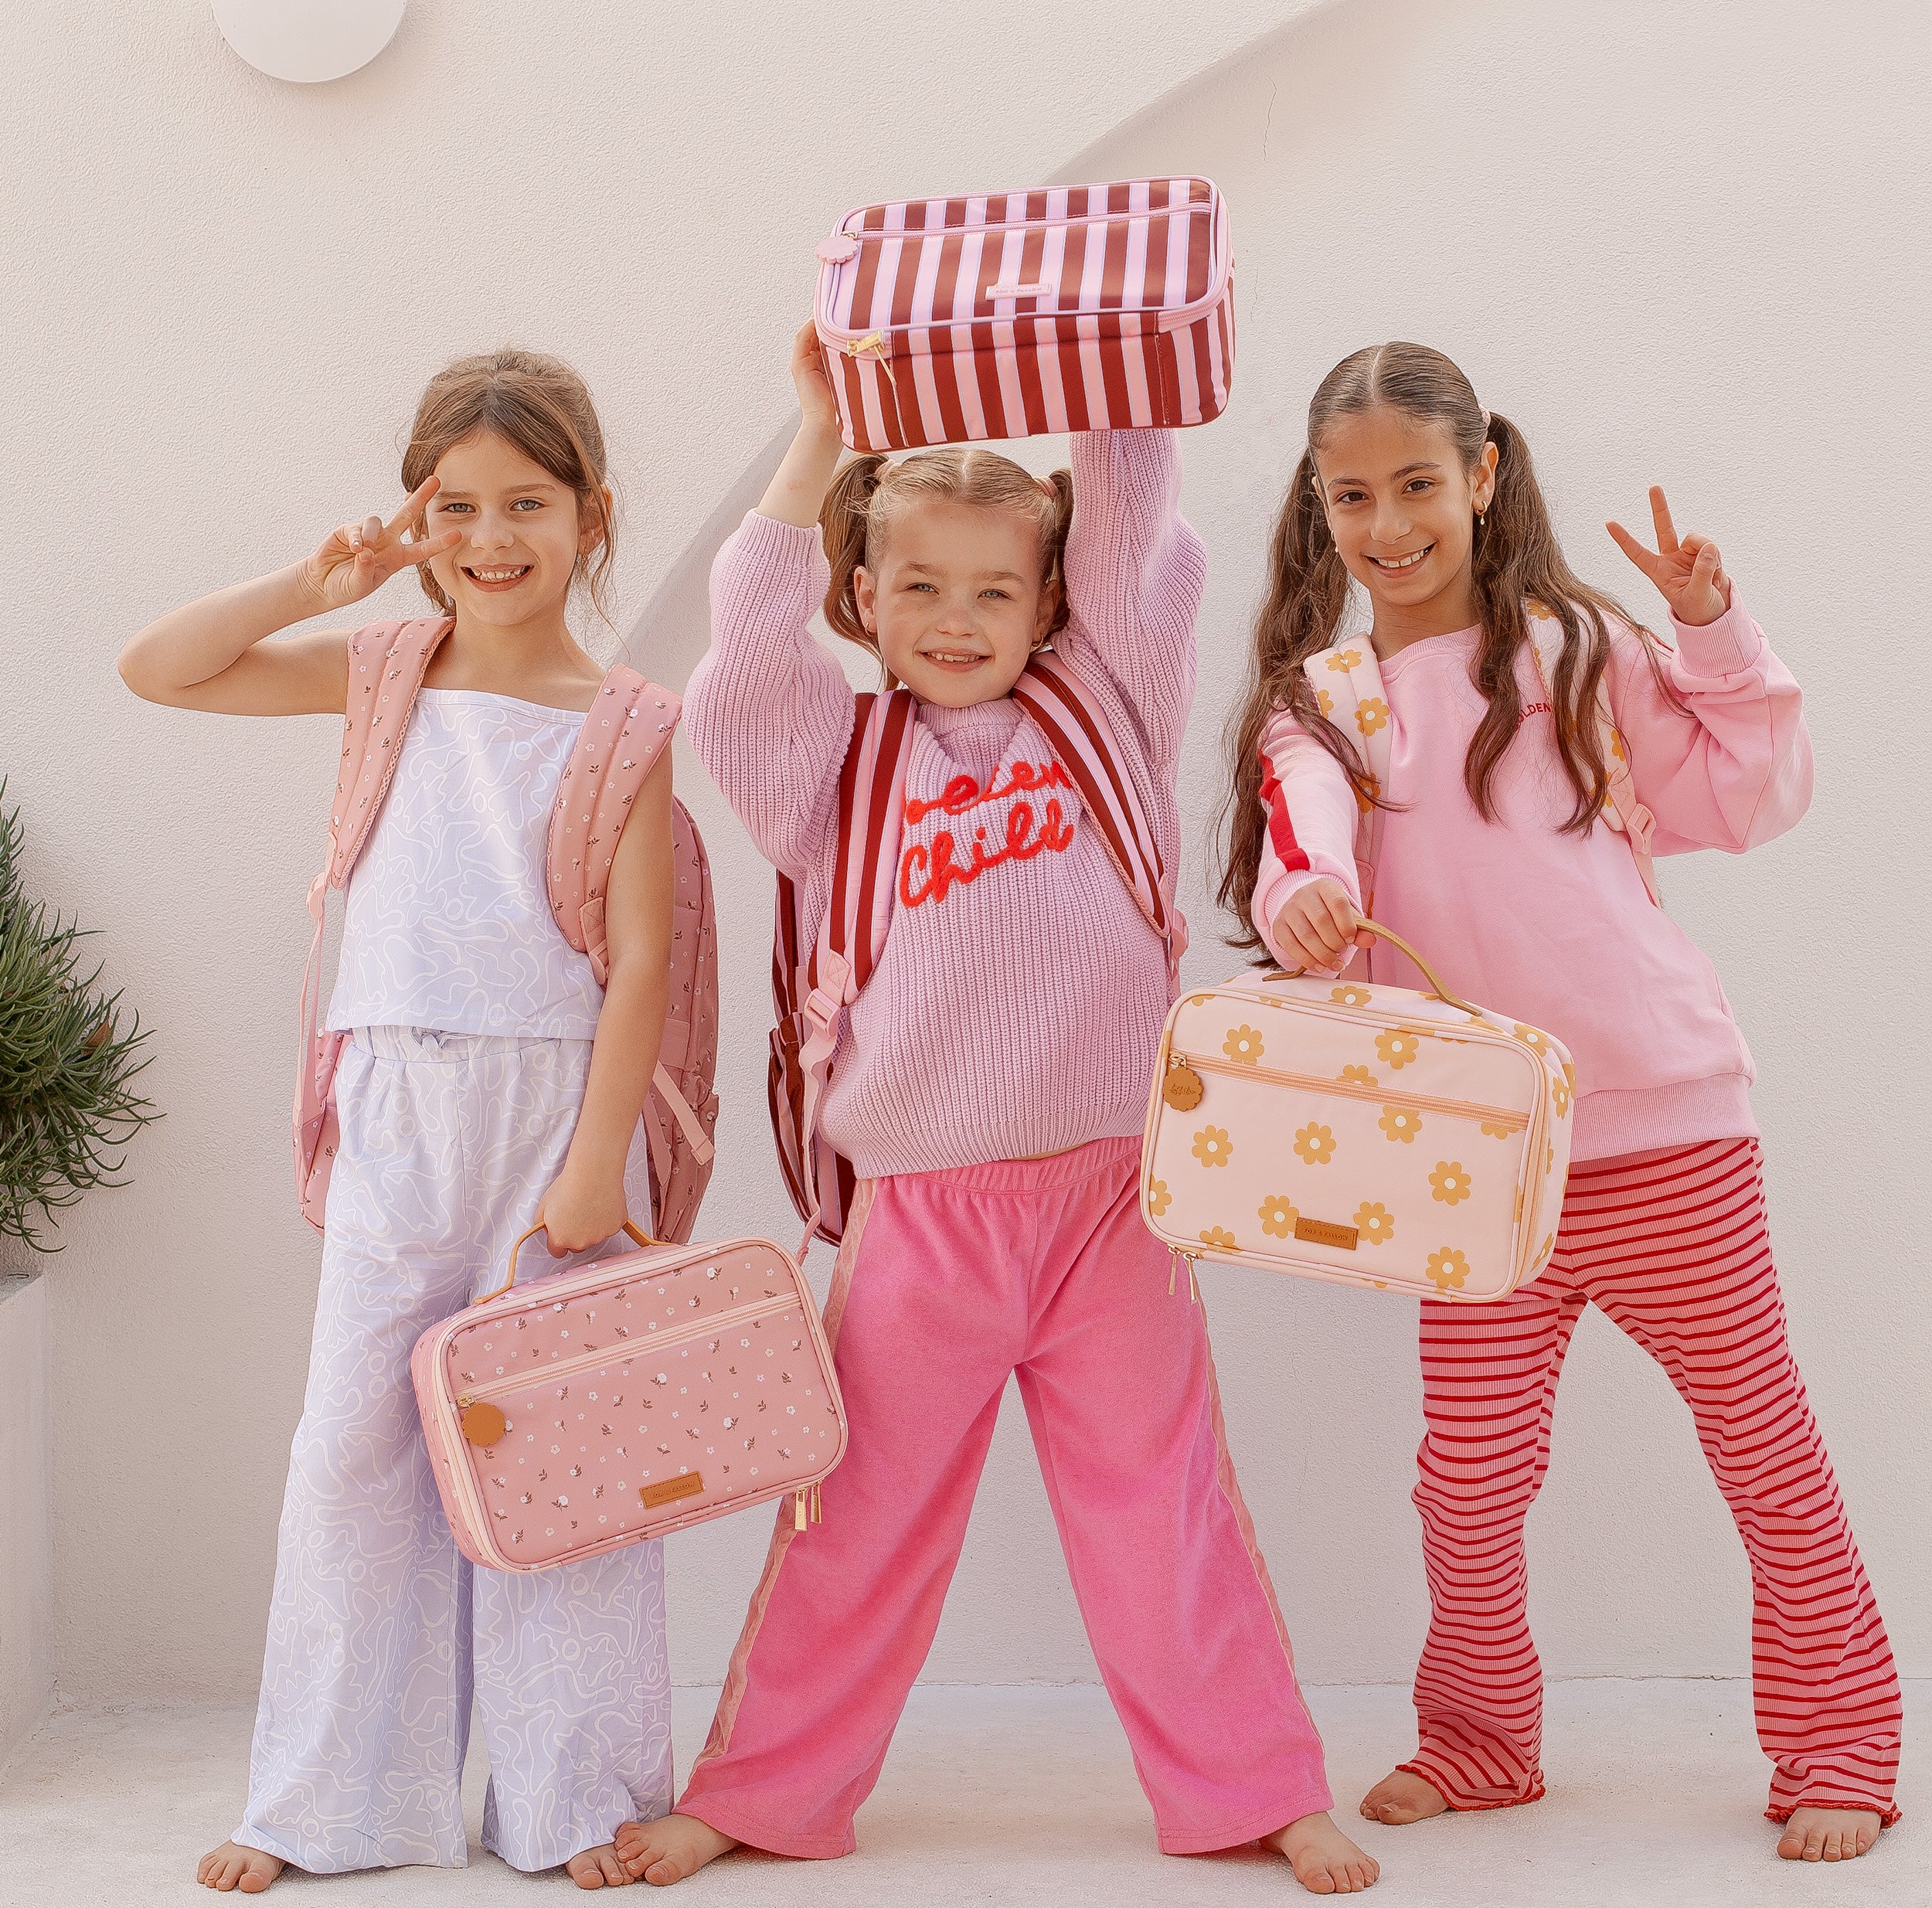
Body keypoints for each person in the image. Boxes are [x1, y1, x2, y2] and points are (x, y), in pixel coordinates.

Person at [614, 321, 1379, 1894]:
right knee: (854, 1523)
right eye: (916, 587)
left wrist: (1112, 376)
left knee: (1160, 1511)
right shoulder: (830, 759)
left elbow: (1136, 541)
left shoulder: (1105, 704)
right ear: (864, 599)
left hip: (1111, 1197)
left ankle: (1250, 1783)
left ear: (1047, 604)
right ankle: (761, 1790)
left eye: (991, 589)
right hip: (919, 1215)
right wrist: (821, 429)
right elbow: (742, 650)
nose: (954, 619)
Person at [1223, 340, 1900, 1865]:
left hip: (1664, 1124)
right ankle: (1475, 1740)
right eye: (1350, 495)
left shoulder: (1572, 650)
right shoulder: (1318, 700)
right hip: (1470, 1161)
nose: (1384, 521)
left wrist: (1711, 626)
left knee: (1760, 1440)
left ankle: (1838, 1739)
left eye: (1412, 482)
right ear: (1317, 511)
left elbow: (1742, 794)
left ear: (1478, 475)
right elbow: (1299, 844)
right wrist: (1315, 904)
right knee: (1463, 1474)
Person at [119, 350, 679, 1893]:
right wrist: (315, 577)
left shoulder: (625, 715)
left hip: (557, 1109)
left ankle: (577, 1796)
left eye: (527, 504)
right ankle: (330, 1800)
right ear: (415, 515)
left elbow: (642, 958)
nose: (491, 537)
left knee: (568, 1455)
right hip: (397, 1101)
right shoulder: (381, 668)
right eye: (456, 506)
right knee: (355, 1450)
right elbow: (158, 666)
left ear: (591, 515)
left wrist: (590, 1168)